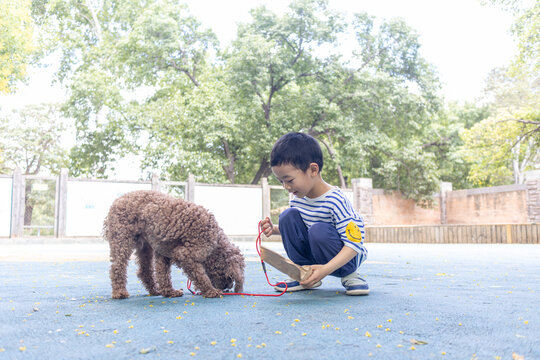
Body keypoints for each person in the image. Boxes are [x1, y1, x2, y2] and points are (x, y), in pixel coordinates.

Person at [260, 132, 369, 296]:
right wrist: (274, 229)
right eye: (281, 181)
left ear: (312, 169)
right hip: (317, 253)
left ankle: (349, 274)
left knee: (318, 230)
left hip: (345, 259)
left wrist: (325, 269)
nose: (286, 187)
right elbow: (301, 229)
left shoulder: (336, 201)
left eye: (289, 180)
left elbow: (354, 244)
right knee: (287, 217)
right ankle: (304, 273)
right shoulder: (297, 198)